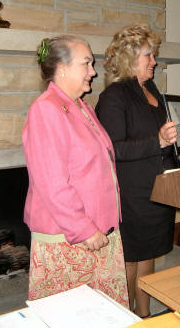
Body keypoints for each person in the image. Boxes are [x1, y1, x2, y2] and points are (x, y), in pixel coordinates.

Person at [95, 24, 180, 317]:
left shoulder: (151, 90)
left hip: (157, 191)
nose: (154, 61)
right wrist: (158, 141)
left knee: (148, 256)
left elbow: (164, 141)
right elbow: (113, 149)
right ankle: (124, 318)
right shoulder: (114, 96)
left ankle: (144, 316)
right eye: (149, 55)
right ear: (129, 58)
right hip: (132, 195)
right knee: (130, 260)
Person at [22, 35, 129, 307]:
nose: (93, 71)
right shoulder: (45, 110)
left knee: (103, 317)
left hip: (100, 232)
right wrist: (83, 229)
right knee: (72, 319)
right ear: (63, 68)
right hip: (70, 239)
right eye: (87, 63)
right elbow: (52, 183)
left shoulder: (81, 107)